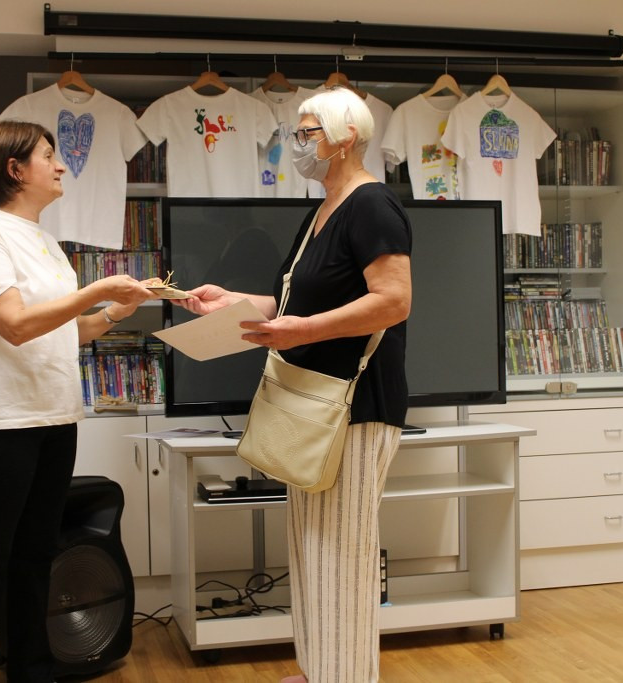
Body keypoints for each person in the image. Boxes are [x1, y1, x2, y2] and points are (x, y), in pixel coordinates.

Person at [177, 87, 412, 683]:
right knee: (311, 549)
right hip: (311, 404)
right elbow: (293, 301)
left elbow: (394, 301)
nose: (298, 144)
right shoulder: (323, 210)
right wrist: (232, 301)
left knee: (342, 556)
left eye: (308, 133)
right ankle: (317, 669)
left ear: (346, 137)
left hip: (354, 406)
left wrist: (304, 329)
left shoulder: (372, 204)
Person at [0, 119, 157, 683]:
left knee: (35, 553)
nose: (60, 166)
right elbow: (14, 324)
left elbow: (67, 330)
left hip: (54, 415)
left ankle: (31, 668)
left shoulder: (46, 242)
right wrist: (97, 289)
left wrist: (116, 311)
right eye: (48, 156)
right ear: (15, 169)